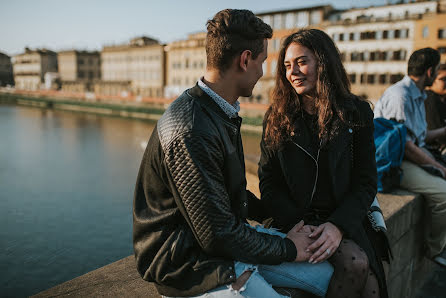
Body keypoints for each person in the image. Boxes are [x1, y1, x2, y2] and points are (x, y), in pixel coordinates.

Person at [133, 9, 333, 298]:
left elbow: (229, 196)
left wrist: (285, 221)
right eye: (262, 62)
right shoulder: (192, 128)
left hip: (222, 247)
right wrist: (289, 247)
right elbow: (217, 234)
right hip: (188, 266)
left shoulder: (218, 111)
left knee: (326, 273)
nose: (263, 72)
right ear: (245, 60)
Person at [258, 29, 389, 298]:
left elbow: (366, 182)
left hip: (345, 220)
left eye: (302, 62)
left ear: (324, 62)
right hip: (295, 223)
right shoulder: (276, 117)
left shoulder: (356, 112)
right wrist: (300, 225)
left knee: (371, 283)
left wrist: (337, 226)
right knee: (355, 264)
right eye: (287, 65)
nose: (292, 71)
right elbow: (268, 182)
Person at [374, 48, 446, 267]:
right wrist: (438, 167)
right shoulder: (400, 96)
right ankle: (435, 249)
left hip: (412, 154)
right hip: (396, 162)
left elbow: (419, 137)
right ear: (430, 71)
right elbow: (404, 146)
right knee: (444, 194)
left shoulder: (416, 94)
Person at [425, 63, 446, 153]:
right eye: (443, 79)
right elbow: (434, 128)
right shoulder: (429, 99)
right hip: (433, 150)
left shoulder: (442, 99)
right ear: (432, 80)